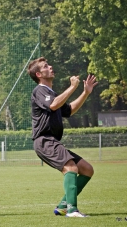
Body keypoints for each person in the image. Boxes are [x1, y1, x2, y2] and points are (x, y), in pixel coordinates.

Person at [27, 57, 98, 218]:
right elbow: (53, 105)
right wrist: (72, 87)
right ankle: (72, 210)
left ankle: (62, 206)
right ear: (39, 74)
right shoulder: (39, 90)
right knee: (71, 168)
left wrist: (85, 92)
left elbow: (69, 110)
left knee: (87, 170)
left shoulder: (52, 93)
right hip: (44, 140)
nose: (50, 67)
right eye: (46, 66)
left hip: (52, 141)